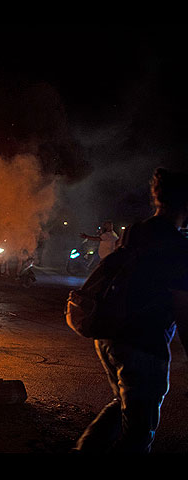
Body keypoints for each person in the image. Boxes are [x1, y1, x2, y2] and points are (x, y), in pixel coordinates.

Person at [74, 167, 188, 453]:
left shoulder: (137, 231)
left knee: (122, 403)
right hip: (143, 343)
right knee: (139, 431)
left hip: (111, 334)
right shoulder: (176, 247)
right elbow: (183, 308)